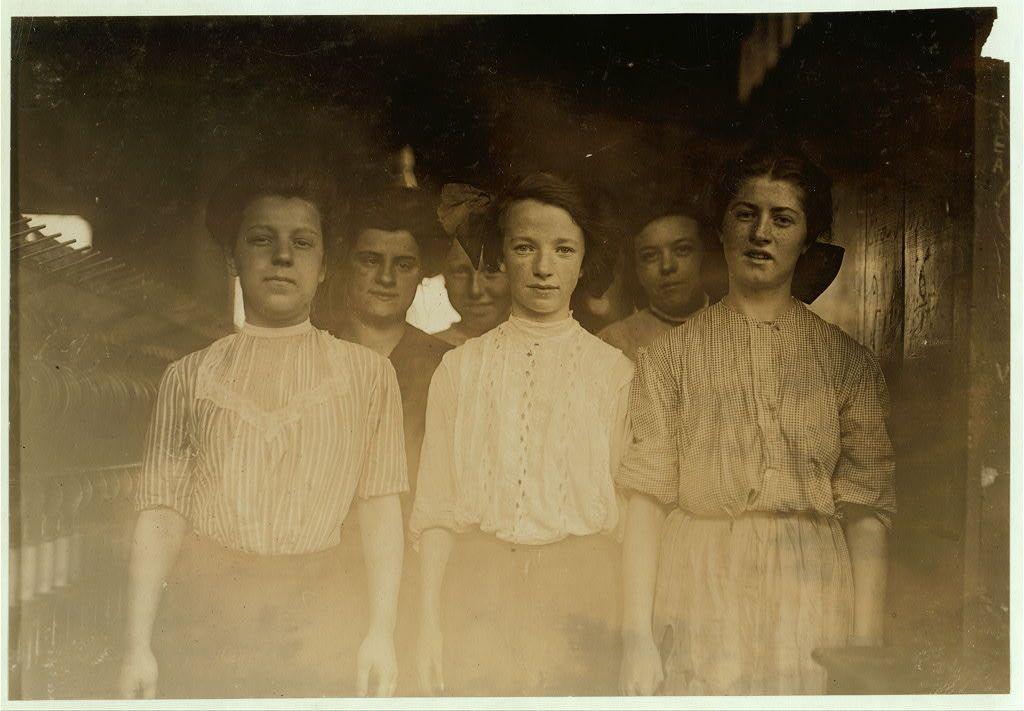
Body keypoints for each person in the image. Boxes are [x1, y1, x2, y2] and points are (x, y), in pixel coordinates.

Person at [118, 151, 407, 699]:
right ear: (233, 257)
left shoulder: (369, 376)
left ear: (324, 264)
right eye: (260, 239)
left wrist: (381, 633)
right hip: (207, 621)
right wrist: (137, 646)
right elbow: (159, 517)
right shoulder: (188, 377)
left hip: (323, 624)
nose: (281, 257)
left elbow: (380, 512)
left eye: (302, 242)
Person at [617, 142, 896, 695]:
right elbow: (645, 503)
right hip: (697, 584)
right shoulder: (669, 357)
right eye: (745, 214)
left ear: (807, 238)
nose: (760, 233)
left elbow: (866, 509)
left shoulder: (848, 365)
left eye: (782, 218)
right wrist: (635, 638)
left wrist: (864, 645)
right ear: (721, 230)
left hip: (809, 589)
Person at [410, 172, 633, 696]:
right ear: (500, 257)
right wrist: (428, 626)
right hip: (479, 590)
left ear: (583, 261)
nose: (543, 268)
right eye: (525, 247)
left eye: (563, 249)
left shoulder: (614, 373)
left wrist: (632, 633)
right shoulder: (460, 371)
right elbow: (437, 511)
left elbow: (631, 520)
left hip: (584, 593)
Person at [313, 183, 452, 694]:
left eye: (405, 263)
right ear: (343, 264)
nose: (387, 278)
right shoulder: (309, 352)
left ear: (421, 275)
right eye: (370, 260)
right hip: (316, 573)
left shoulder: (445, 367)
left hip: (413, 579)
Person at [598, 203, 709, 360]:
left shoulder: (738, 327)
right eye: (650, 256)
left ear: (703, 255)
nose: (667, 266)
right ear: (637, 269)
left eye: (682, 250)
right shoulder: (612, 343)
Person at [433, 185, 512, 347]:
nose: (475, 290)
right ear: (444, 276)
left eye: (491, 270)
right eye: (460, 271)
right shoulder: (429, 350)